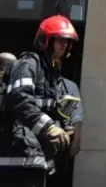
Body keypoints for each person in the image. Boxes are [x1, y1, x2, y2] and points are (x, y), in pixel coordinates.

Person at [0, 15, 79, 187]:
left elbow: (47, 108)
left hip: (34, 157)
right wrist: (48, 127)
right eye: (58, 39)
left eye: (66, 40)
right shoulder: (28, 64)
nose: (63, 44)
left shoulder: (52, 74)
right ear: (46, 41)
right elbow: (19, 99)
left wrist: (64, 127)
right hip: (16, 153)